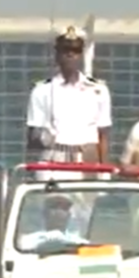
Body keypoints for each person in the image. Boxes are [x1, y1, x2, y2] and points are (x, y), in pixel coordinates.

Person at [26, 26, 113, 181]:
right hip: (54, 163)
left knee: (86, 205)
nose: (70, 54)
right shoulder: (42, 91)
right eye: (65, 50)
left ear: (81, 55)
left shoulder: (98, 90)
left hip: (87, 161)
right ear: (57, 54)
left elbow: (103, 135)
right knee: (53, 205)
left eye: (76, 50)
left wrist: (104, 171)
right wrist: (41, 137)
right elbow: (33, 138)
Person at [17, 194, 90, 251]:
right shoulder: (27, 242)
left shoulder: (79, 243)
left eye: (64, 208)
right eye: (54, 207)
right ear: (45, 212)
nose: (59, 212)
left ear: (69, 215)